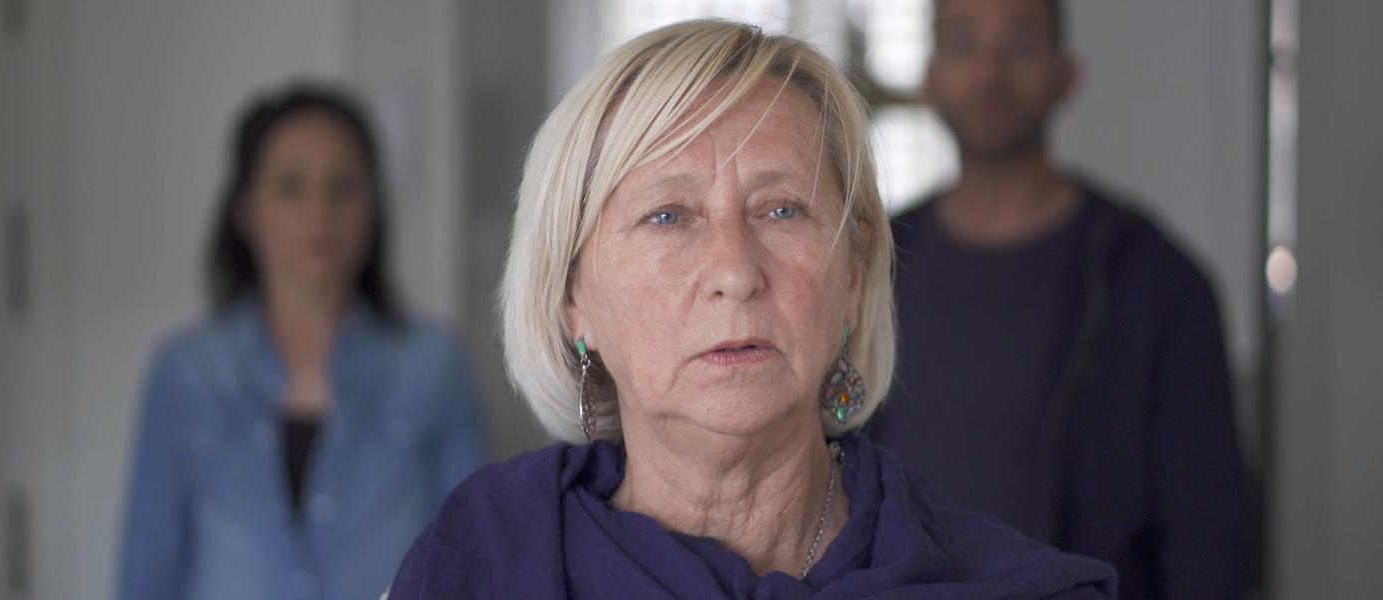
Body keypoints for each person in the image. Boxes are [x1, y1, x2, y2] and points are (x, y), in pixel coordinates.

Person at [385, 20, 1115, 599]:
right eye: (668, 216)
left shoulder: (1002, 585)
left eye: (781, 209)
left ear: (852, 276)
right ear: (572, 298)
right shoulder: (479, 563)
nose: (735, 272)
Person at [865, 1, 1256, 598]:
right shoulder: (875, 266)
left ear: (1065, 75)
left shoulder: (1151, 280)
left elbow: (1208, 538)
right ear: (931, 78)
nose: (990, 72)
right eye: (964, 44)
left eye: (1020, 45)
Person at [117, 84, 487, 600]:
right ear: (246, 209)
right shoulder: (186, 372)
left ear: (373, 207)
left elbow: (473, 563)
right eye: (291, 186)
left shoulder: (435, 366)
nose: (319, 210)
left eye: (343, 186)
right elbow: (147, 573)